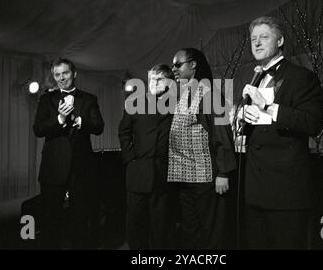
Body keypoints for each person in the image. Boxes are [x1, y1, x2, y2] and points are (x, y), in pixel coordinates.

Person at [237, 16, 323, 249]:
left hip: (285, 192)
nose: (256, 43)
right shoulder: (255, 79)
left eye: (264, 37)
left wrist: (267, 106)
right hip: (255, 191)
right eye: (253, 38)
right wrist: (241, 119)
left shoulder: (302, 77)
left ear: (280, 40)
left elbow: (313, 123)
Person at [168, 48, 237, 249]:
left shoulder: (210, 93)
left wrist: (223, 172)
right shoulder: (184, 93)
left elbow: (222, 133)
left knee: (212, 231)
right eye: (173, 65)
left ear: (193, 65)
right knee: (191, 230)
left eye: (178, 64)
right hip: (184, 176)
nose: (174, 69)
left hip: (205, 177)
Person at [33, 58, 104, 249]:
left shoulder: (89, 99)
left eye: (65, 73)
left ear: (74, 73)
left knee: (80, 220)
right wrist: (60, 118)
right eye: (57, 75)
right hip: (53, 167)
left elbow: (99, 127)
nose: (61, 78)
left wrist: (80, 120)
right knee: (50, 219)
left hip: (81, 169)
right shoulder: (46, 99)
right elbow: (38, 130)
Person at [118, 64, 176, 249]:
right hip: (137, 174)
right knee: (135, 224)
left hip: (164, 175)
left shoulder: (176, 105)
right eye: (151, 79)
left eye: (159, 79)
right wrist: (131, 159)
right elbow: (123, 132)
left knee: (161, 226)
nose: (153, 83)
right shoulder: (135, 103)